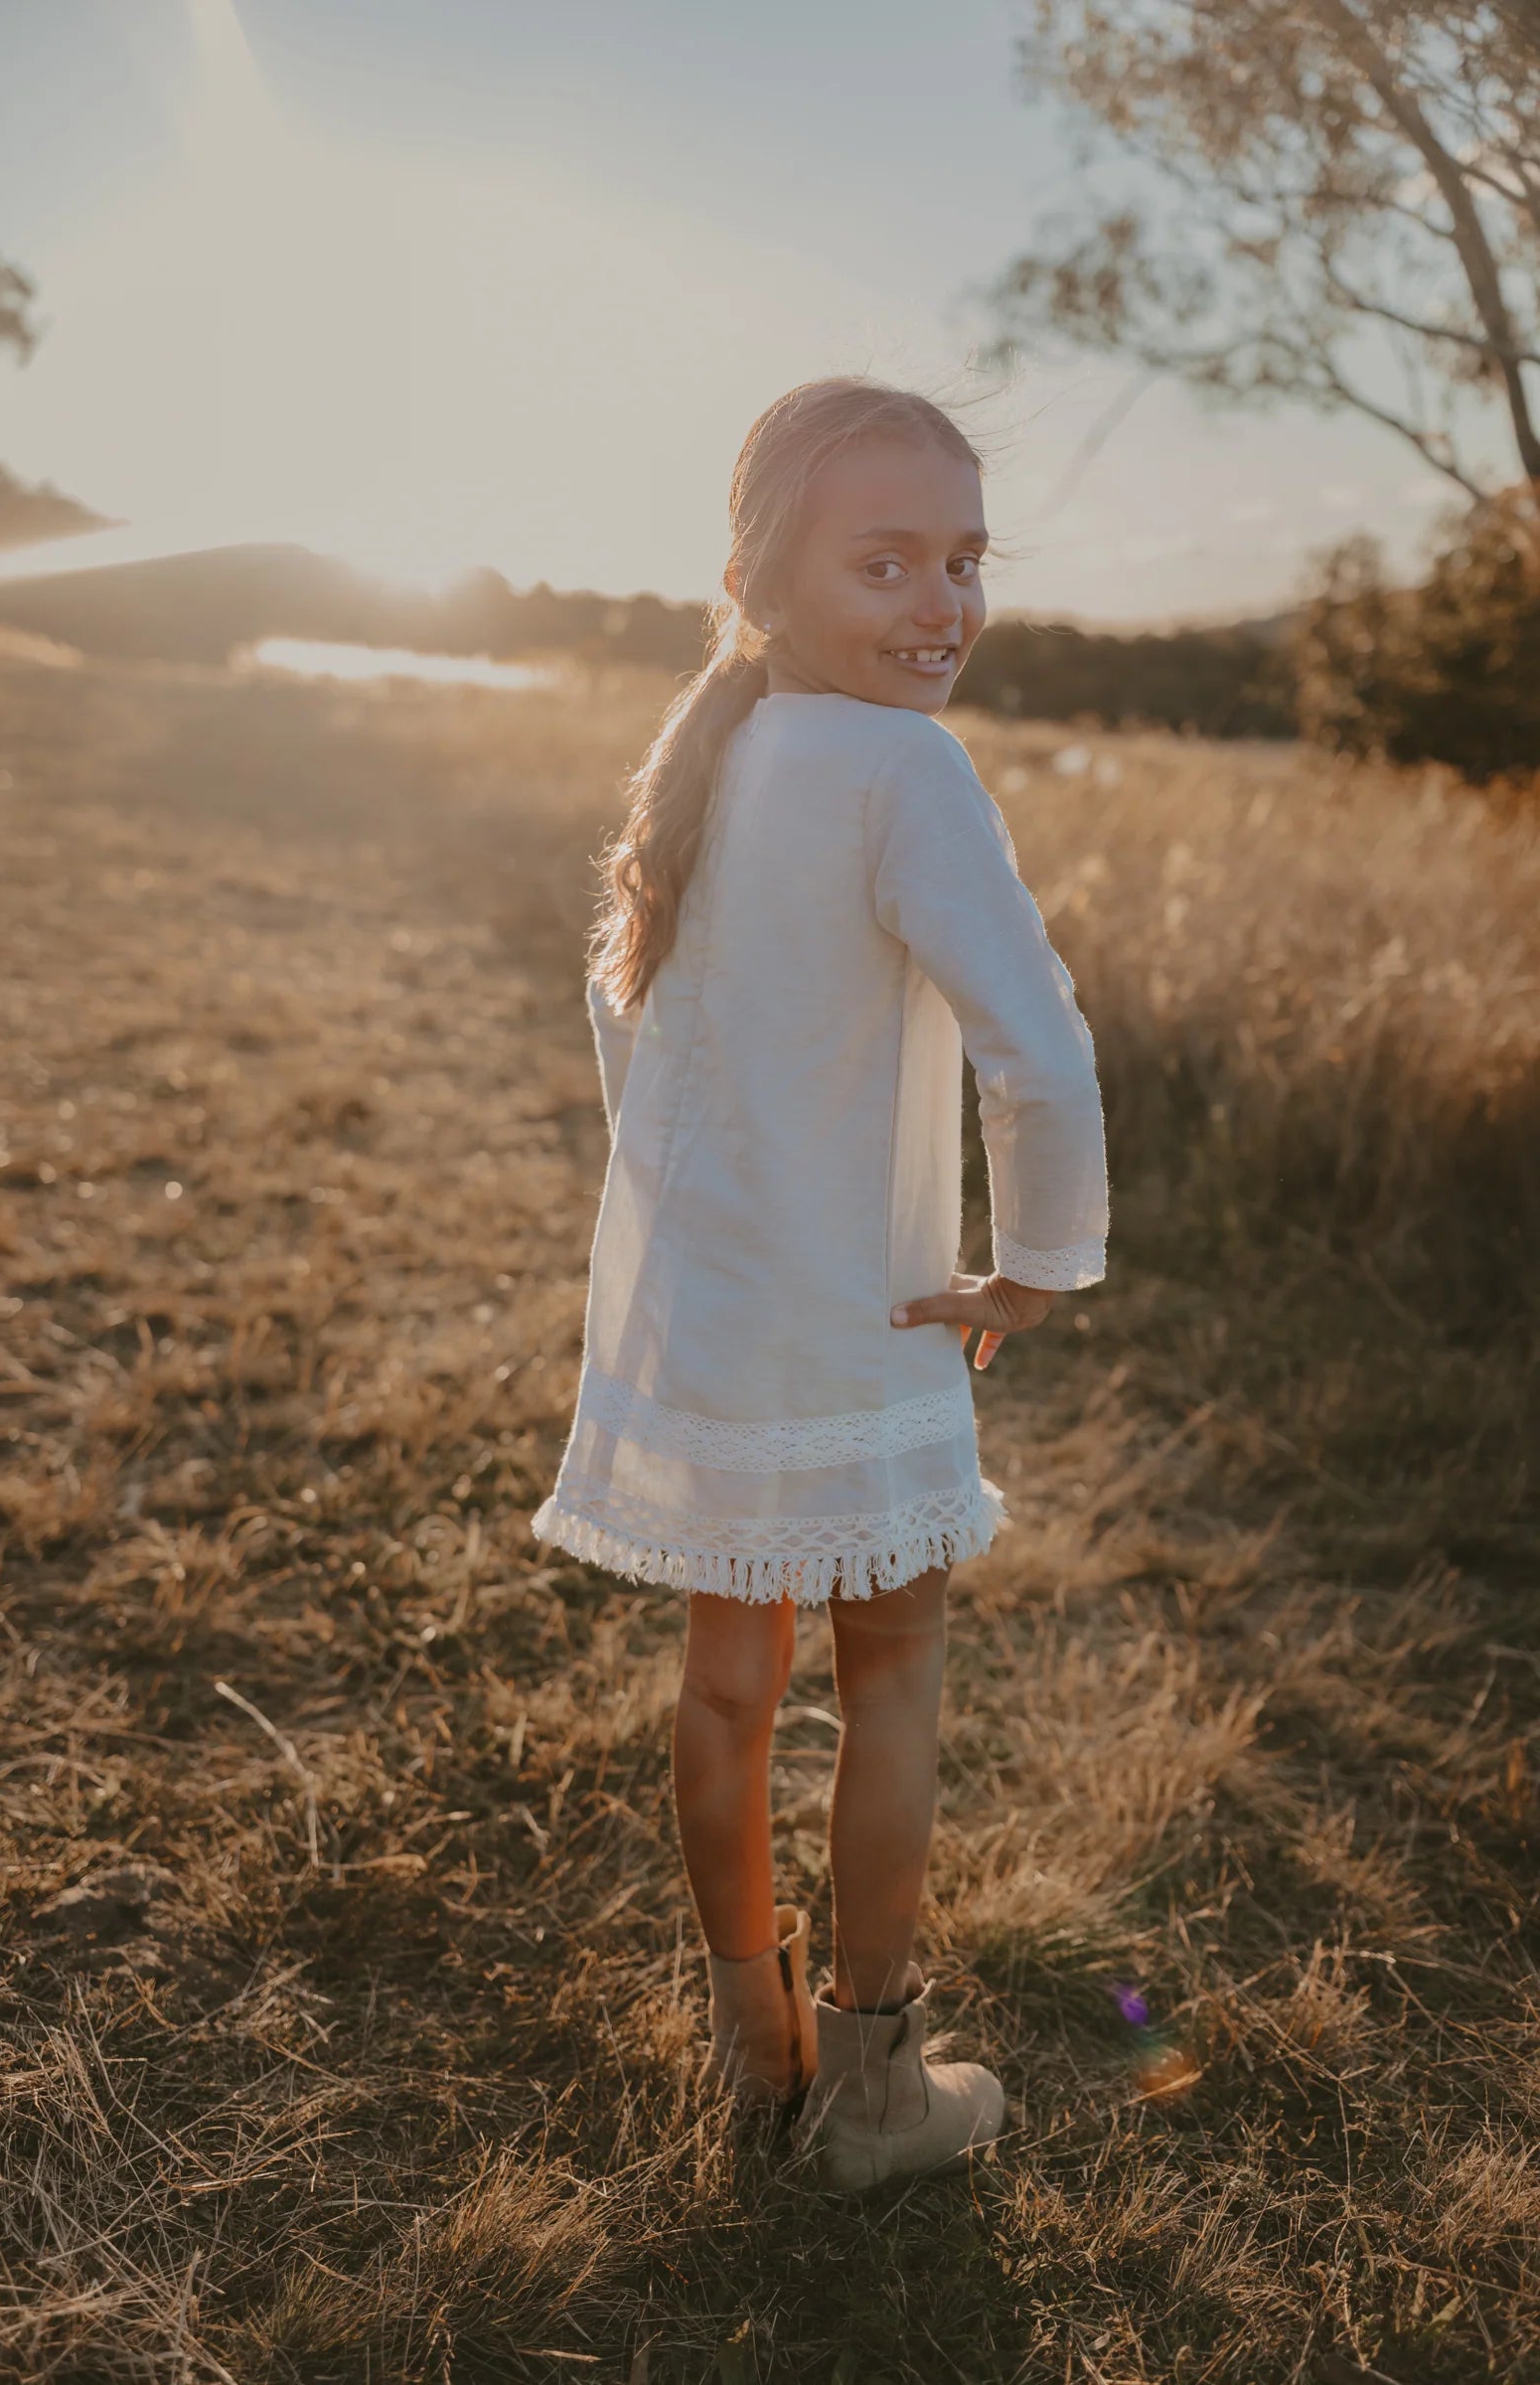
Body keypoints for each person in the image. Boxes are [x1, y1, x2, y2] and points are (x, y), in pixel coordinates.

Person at [534, 378, 1108, 2192]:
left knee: (725, 1688)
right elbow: (1041, 1049)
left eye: (963, 560)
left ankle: (757, 2057)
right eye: (886, 561)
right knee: (896, 1668)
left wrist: (701, 1220)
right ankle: (868, 2101)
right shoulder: (901, 769)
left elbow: (625, 1013)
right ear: (765, 575)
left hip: (717, 1314)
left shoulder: (719, 749)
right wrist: (1039, 1261)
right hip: (852, 1328)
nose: (940, 603)